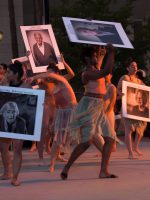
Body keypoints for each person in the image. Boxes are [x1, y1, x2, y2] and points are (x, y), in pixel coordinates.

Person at [60, 44, 117, 180]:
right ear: (87, 59)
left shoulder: (95, 68)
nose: (97, 57)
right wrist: (111, 52)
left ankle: (104, 171)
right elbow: (106, 71)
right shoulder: (87, 74)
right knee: (86, 142)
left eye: (97, 55)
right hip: (88, 106)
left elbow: (102, 67)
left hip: (99, 106)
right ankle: (67, 167)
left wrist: (101, 52)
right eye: (95, 56)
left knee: (110, 138)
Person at [30, 63, 77, 172]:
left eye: (50, 72)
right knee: (46, 130)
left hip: (62, 109)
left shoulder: (60, 80)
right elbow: (35, 84)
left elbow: (71, 74)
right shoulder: (44, 80)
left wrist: (64, 62)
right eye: (47, 72)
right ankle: (42, 158)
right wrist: (34, 77)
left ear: (56, 73)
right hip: (48, 106)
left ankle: (56, 155)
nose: (48, 74)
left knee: (58, 134)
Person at [0, 61, 31, 186]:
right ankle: (6, 173)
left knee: (17, 148)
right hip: (6, 119)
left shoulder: (26, 86)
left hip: (19, 120)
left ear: (16, 74)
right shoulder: (4, 83)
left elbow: (31, 103)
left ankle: (15, 177)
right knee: (3, 147)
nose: (6, 73)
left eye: (9, 72)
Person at [117, 58, 147, 159]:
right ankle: (130, 153)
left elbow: (146, 92)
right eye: (132, 66)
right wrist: (122, 94)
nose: (135, 68)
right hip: (127, 107)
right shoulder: (125, 77)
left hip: (137, 108)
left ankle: (135, 147)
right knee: (129, 130)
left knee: (141, 129)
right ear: (128, 68)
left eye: (136, 66)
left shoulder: (139, 81)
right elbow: (118, 89)